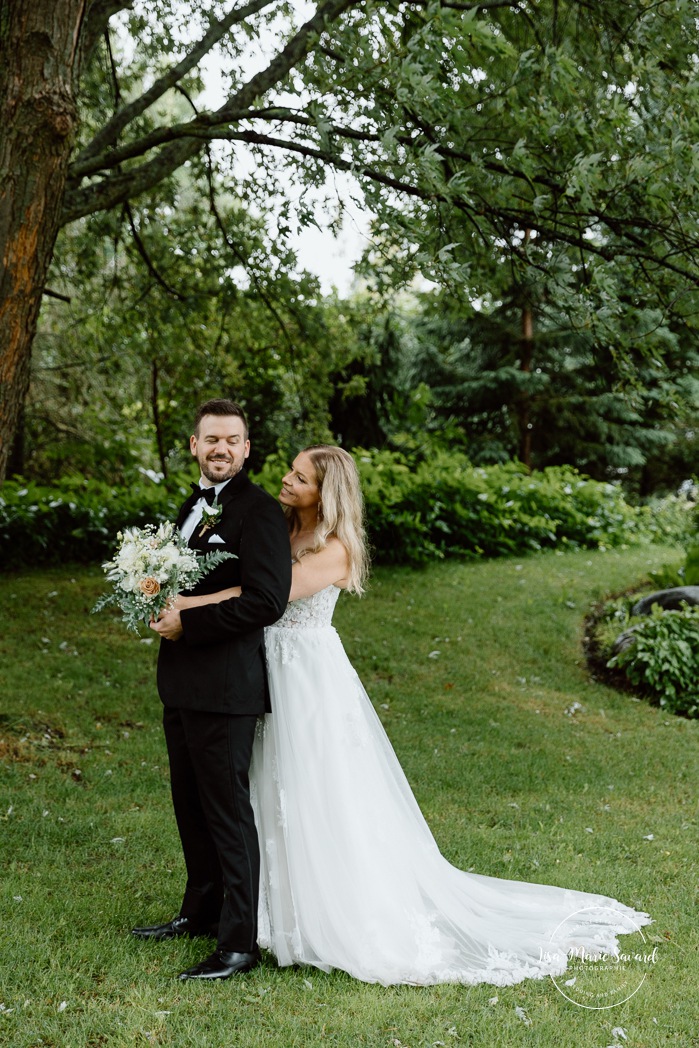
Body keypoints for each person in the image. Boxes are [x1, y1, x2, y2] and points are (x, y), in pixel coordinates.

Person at [157, 444, 651, 986]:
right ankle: (258, 909)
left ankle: (331, 908)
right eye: (289, 471)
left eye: (300, 478)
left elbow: (267, 594)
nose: (286, 480)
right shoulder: (278, 526)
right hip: (259, 666)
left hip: (305, 676)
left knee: (316, 789)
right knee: (262, 786)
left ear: (327, 493)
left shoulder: (336, 547)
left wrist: (184, 605)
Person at [131, 399, 291, 982]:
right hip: (181, 682)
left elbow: (266, 601)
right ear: (194, 446)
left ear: (247, 449)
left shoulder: (261, 512)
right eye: (211, 439)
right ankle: (198, 913)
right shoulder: (190, 509)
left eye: (232, 439)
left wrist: (189, 623)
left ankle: (237, 944)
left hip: (227, 687)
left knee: (226, 814)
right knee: (189, 806)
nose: (221, 448)